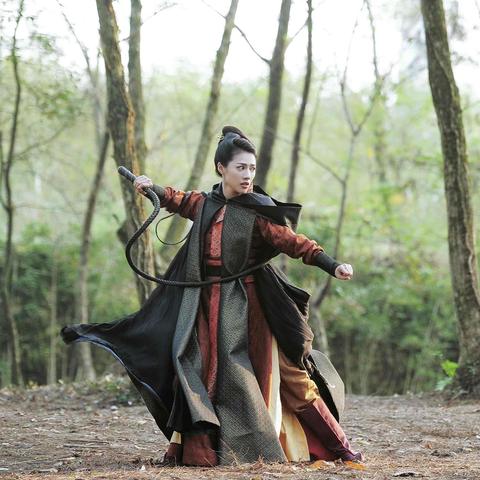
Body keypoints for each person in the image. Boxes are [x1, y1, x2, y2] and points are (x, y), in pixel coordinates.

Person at [61, 125, 363, 467]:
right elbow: (176, 198)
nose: (247, 175)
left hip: (252, 309)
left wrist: (332, 265)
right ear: (222, 168)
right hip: (204, 306)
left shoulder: (258, 212)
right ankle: (197, 451)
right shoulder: (205, 203)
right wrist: (149, 187)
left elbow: (295, 243)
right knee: (195, 371)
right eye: (240, 167)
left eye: (252, 168)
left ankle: (340, 447)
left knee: (289, 375)